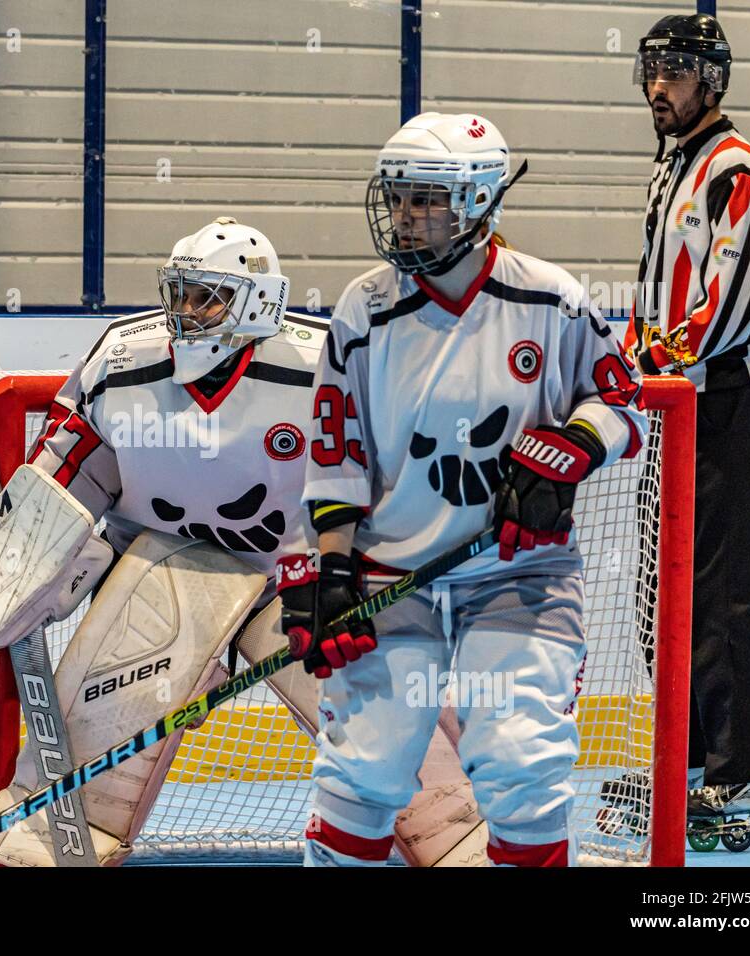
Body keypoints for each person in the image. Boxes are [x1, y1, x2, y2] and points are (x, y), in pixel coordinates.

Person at [0, 218, 484, 865]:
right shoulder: (121, 364)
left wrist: (364, 579)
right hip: (164, 577)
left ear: (258, 302)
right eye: (180, 293)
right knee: (130, 656)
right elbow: (68, 481)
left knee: (379, 688)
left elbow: (392, 490)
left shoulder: (328, 367)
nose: (185, 312)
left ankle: (462, 830)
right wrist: (22, 568)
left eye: (207, 296)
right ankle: (55, 833)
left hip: (301, 581)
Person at [280, 112, 649, 866]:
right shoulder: (364, 309)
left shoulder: (552, 299)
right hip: (393, 576)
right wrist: (333, 568)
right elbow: (337, 448)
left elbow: (622, 400)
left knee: (523, 762)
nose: (406, 218)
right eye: (400, 198)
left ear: (479, 200)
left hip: (520, 573)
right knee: (366, 767)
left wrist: (572, 452)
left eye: (427, 200)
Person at [626, 13, 750, 822]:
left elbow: (728, 306)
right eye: (653, 70)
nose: (660, 86)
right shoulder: (672, 167)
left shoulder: (738, 170)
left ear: (712, 82)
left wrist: (651, 361)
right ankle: (689, 760)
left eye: (677, 72)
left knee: (727, 588)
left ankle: (747, 768)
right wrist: (627, 358)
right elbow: (654, 289)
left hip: (728, 396)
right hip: (678, 395)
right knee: (668, 586)